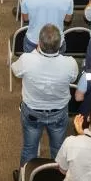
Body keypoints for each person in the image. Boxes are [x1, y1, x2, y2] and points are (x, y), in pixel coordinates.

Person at [10, 23, 79, 168]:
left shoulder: (27, 59)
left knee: (30, 148)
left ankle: (25, 180)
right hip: (59, 113)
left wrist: (35, 52)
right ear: (60, 44)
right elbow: (73, 79)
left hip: (32, 113)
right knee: (58, 149)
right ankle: (55, 179)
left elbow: (15, 70)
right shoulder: (70, 63)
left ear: (39, 43)